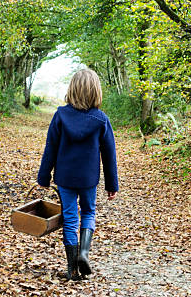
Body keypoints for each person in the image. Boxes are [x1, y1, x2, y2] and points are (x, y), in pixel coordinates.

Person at [37, 68, 119, 280]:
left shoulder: (61, 116)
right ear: (95, 92)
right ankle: (84, 253)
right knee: (89, 212)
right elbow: (110, 154)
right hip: (88, 179)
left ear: (72, 90)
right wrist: (112, 185)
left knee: (70, 218)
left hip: (65, 177)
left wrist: (43, 177)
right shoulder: (101, 120)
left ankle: (72, 269)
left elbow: (51, 148)